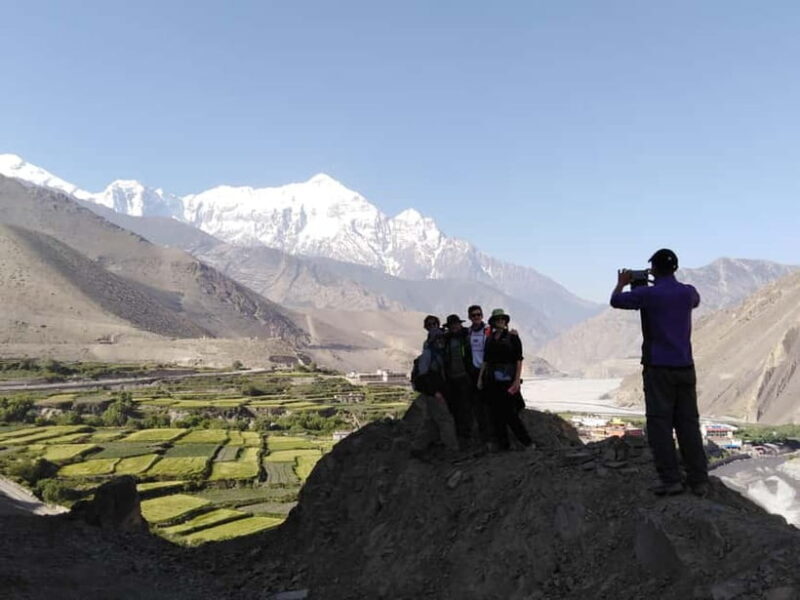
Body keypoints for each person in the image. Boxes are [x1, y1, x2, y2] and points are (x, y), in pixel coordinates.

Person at [610, 248, 709, 497]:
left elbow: (616, 301)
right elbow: (694, 299)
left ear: (653, 268)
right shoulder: (687, 293)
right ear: (675, 268)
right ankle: (698, 480)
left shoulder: (648, 295)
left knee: (660, 425)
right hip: (685, 367)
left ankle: (671, 480)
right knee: (688, 424)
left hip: (658, 369)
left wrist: (622, 284)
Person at [478, 308, 533, 451]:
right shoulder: (490, 339)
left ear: (506, 322)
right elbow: (486, 360)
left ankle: (527, 442)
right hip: (492, 380)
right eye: (498, 320)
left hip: (508, 380)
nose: (500, 322)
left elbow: (518, 360)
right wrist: (480, 379)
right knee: (496, 414)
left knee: (510, 413)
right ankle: (504, 445)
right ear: (494, 323)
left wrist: (516, 381)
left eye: (502, 319)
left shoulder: (513, 338)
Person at [407, 327, 459, 456]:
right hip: (434, 393)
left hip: (434, 393)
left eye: (442, 338)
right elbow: (424, 376)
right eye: (438, 339)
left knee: (430, 421)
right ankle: (452, 450)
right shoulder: (429, 355)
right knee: (445, 420)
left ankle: (417, 448)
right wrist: (435, 392)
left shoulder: (436, 353)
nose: (441, 341)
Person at [443, 313, 477, 448]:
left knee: (466, 406)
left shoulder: (467, 336)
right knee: (455, 407)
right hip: (451, 378)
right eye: (452, 325)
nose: (455, 327)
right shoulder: (446, 339)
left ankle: (467, 435)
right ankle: (459, 434)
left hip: (465, 377)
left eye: (456, 324)